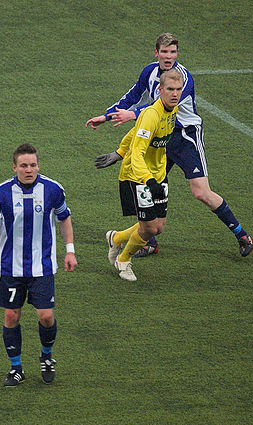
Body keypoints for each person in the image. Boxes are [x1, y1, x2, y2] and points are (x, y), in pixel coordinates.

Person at [86, 33, 253, 258]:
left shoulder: (182, 79)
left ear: (177, 54)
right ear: (156, 53)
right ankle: (148, 241)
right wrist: (105, 117)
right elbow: (133, 96)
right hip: (161, 137)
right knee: (145, 184)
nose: (168, 56)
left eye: (172, 52)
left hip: (185, 137)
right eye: (164, 52)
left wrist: (133, 115)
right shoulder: (150, 71)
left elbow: (160, 107)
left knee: (201, 192)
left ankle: (241, 234)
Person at [0, 144, 77, 387]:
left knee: (46, 316)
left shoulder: (53, 189)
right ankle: (16, 367)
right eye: (23, 166)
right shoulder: (0, 193)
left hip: (43, 267)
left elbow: (64, 218)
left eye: (32, 165)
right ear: (14, 167)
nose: (28, 170)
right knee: (11, 315)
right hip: (11, 268)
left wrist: (70, 250)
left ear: (38, 165)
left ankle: (46, 357)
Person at [98, 69, 182, 281]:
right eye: (170, 89)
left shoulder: (173, 110)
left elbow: (133, 132)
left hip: (158, 173)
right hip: (138, 176)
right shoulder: (151, 115)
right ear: (160, 90)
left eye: (178, 89)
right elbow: (137, 154)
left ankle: (116, 238)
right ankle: (124, 260)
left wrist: (118, 151)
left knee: (158, 226)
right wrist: (148, 179)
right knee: (148, 228)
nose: (174, 94)